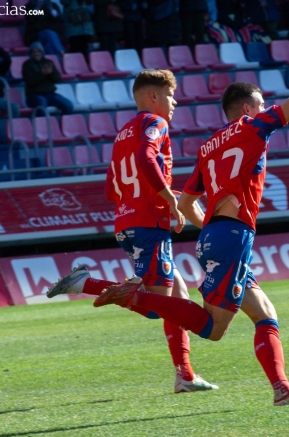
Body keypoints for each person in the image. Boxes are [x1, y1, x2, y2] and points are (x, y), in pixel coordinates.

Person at [93, 40, 289, 406]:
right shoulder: (254, 127)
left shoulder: (208, 146)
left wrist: (210, 232)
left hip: (215, 236)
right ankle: (135, 296)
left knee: (265, 313)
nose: (265, 111)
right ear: (248, 109)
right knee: (214, 329)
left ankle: (283, 389)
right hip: (231, 236)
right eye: (261, 106)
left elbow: (186, 202)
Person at [46, 69, 218, 394]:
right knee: (157, 306)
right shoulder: (155, 123)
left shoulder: (122, 132)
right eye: (170, 95)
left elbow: (112, 187)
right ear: (153, 97)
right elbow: (146, 155)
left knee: (178, 297)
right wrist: (166, 197)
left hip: (126, 222)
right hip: (148, 224)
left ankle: (185, 374)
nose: (175, 101)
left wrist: (146, 197)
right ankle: (85, 282)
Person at [22, 42, 74, 114]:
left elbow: (57, 79)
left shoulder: (49, 62)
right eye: (34, 52)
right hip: (34, 96)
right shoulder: (27, 64)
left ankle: (63, 124)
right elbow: (30, 81)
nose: (36, 54)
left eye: (38, 51)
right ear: (31, 53)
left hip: (50, 94)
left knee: (68, 105)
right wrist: (42, 73)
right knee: (42, 104)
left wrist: (51, 72)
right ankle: (41, 124)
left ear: (42, 52)